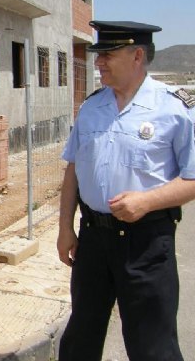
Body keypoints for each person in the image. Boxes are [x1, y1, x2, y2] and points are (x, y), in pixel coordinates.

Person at [56, 20, 195, 361]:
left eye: (107, 54)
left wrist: (147, 201)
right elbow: (73, 169)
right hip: (92, 241)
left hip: (146, 243)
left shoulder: (175, 109)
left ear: (137, 56)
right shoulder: (91, 108)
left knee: (153, 345)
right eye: (98, 55)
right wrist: (64, 229)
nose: (98, 62)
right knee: (80, 338)